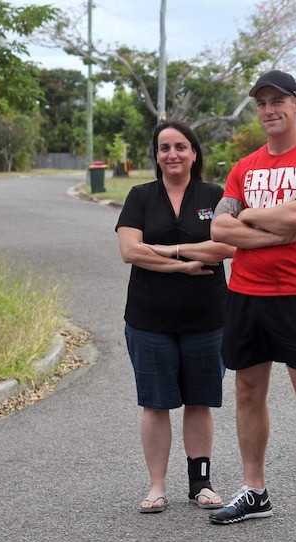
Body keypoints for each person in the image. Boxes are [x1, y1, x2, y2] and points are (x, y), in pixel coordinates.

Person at [208, 70, 296, 532]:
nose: (269, 110)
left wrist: (250, 218)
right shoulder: (243, 167)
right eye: (261, 103)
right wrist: (274, 230)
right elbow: (218, 229)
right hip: (244, 296)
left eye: (277, 101)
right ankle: (255, 490)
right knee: (248, 391)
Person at [116, 120, 236, 514]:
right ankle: (156, 486)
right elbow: (131, 251)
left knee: (200, 401)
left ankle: (200, 484)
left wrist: (167, 250)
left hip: (208, 319)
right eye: (164, 147)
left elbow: (226, 248)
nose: (172, 154)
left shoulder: (215, 195)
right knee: (156, 403)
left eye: (180, 146)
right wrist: (181, 266)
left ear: (194, 152)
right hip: (149, 319)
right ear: (156, 155)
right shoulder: (140, 196)